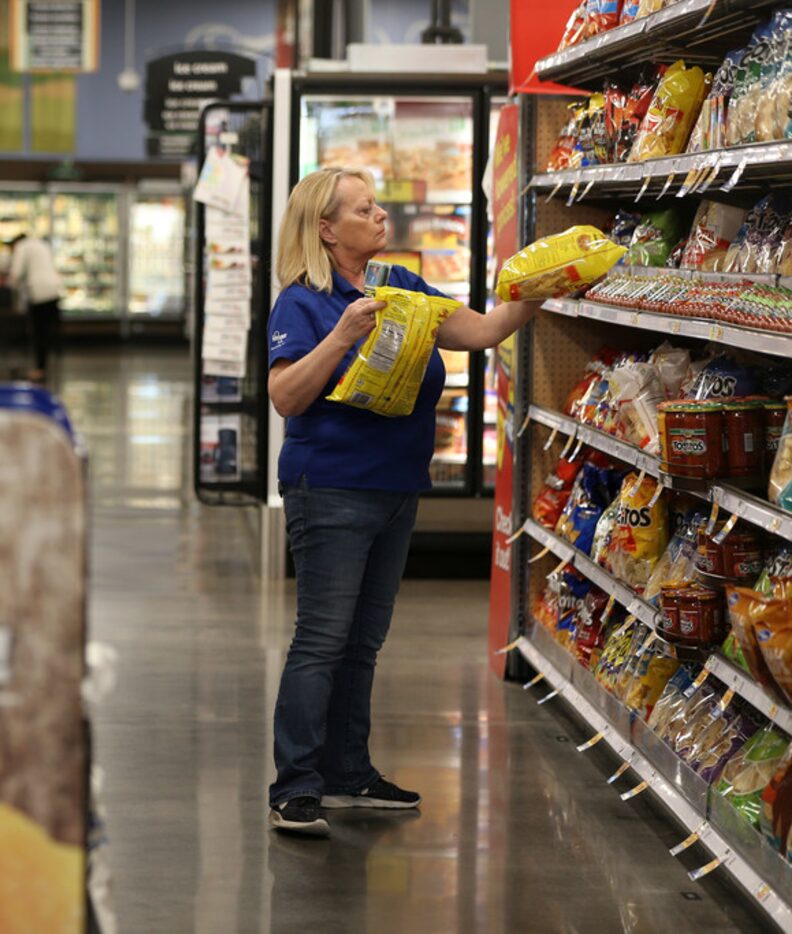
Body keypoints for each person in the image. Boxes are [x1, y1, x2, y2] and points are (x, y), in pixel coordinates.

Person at [265, 167, 541, 836]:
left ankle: (347, 772)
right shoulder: (302, 303)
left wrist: (539, 290)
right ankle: (295, 785)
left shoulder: (404, 287)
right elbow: (285, 396)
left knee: (363, 641)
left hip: (395, 488)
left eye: (378, 205)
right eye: (365, 209)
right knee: (322, 639)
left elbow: (479, 332)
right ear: (327, 230)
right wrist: (341, 337)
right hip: (329, 487)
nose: (381, 216)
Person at [8, 232, 63, 382]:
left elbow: (16, 273)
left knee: (39, 334)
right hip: (54, 290)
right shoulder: (42, 244)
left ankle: (40, 370)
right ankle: (43, 367)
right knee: (47, 333)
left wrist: (9, 285)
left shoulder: (21, 247)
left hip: (39, 293)